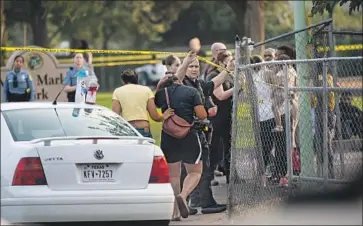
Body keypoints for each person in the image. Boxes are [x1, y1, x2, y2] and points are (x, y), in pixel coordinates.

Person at [175, 54, 234, 215]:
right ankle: (202, 202)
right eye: (191, 67)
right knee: (201, 168)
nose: (194, 70)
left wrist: (227, 70)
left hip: (201, 131)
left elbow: (213, 84)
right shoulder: (180, 84)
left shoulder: (198, 84)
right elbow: (177, 78)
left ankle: (191, 201)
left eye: (196, 67)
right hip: (189, 132)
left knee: (194, 169)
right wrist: (186, 61)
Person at [154, 75, 208, 221]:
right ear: (179, 80)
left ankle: (175, 212)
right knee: (195, 172)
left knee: (174, 175)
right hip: (189, 135)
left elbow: (155, 111)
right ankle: (183, 196)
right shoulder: (191, 92)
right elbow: (202, 115)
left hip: (168, 136)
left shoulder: (160, 94)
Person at [206, 50, 235, 185]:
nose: (232, 64)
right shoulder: (214, 75)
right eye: (229, 62)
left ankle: (232, 176)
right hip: (217, 118)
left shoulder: (230, 75)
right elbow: (220, 95)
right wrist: (237, 88)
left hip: (228, 116)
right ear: (221, 62)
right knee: (215, 149)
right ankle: (210, 176)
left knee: (229, 147)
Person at [112, 69, 163, 138]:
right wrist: (164, 117)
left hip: (127, 129)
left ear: (123, 80)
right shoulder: (146, 90)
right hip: (144, 129)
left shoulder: (117, 91)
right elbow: (155, 116)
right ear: (137, 78)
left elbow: (115, 117)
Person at [270, 54, 298, 133]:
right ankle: (294, 120)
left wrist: (273, 91)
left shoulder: (282, 72)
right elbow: (296, 81)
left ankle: (279, 125)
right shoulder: (292, 70)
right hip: (291, 89)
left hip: (283, 90)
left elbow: (278, 83)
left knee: (274, 106)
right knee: (292, 103)